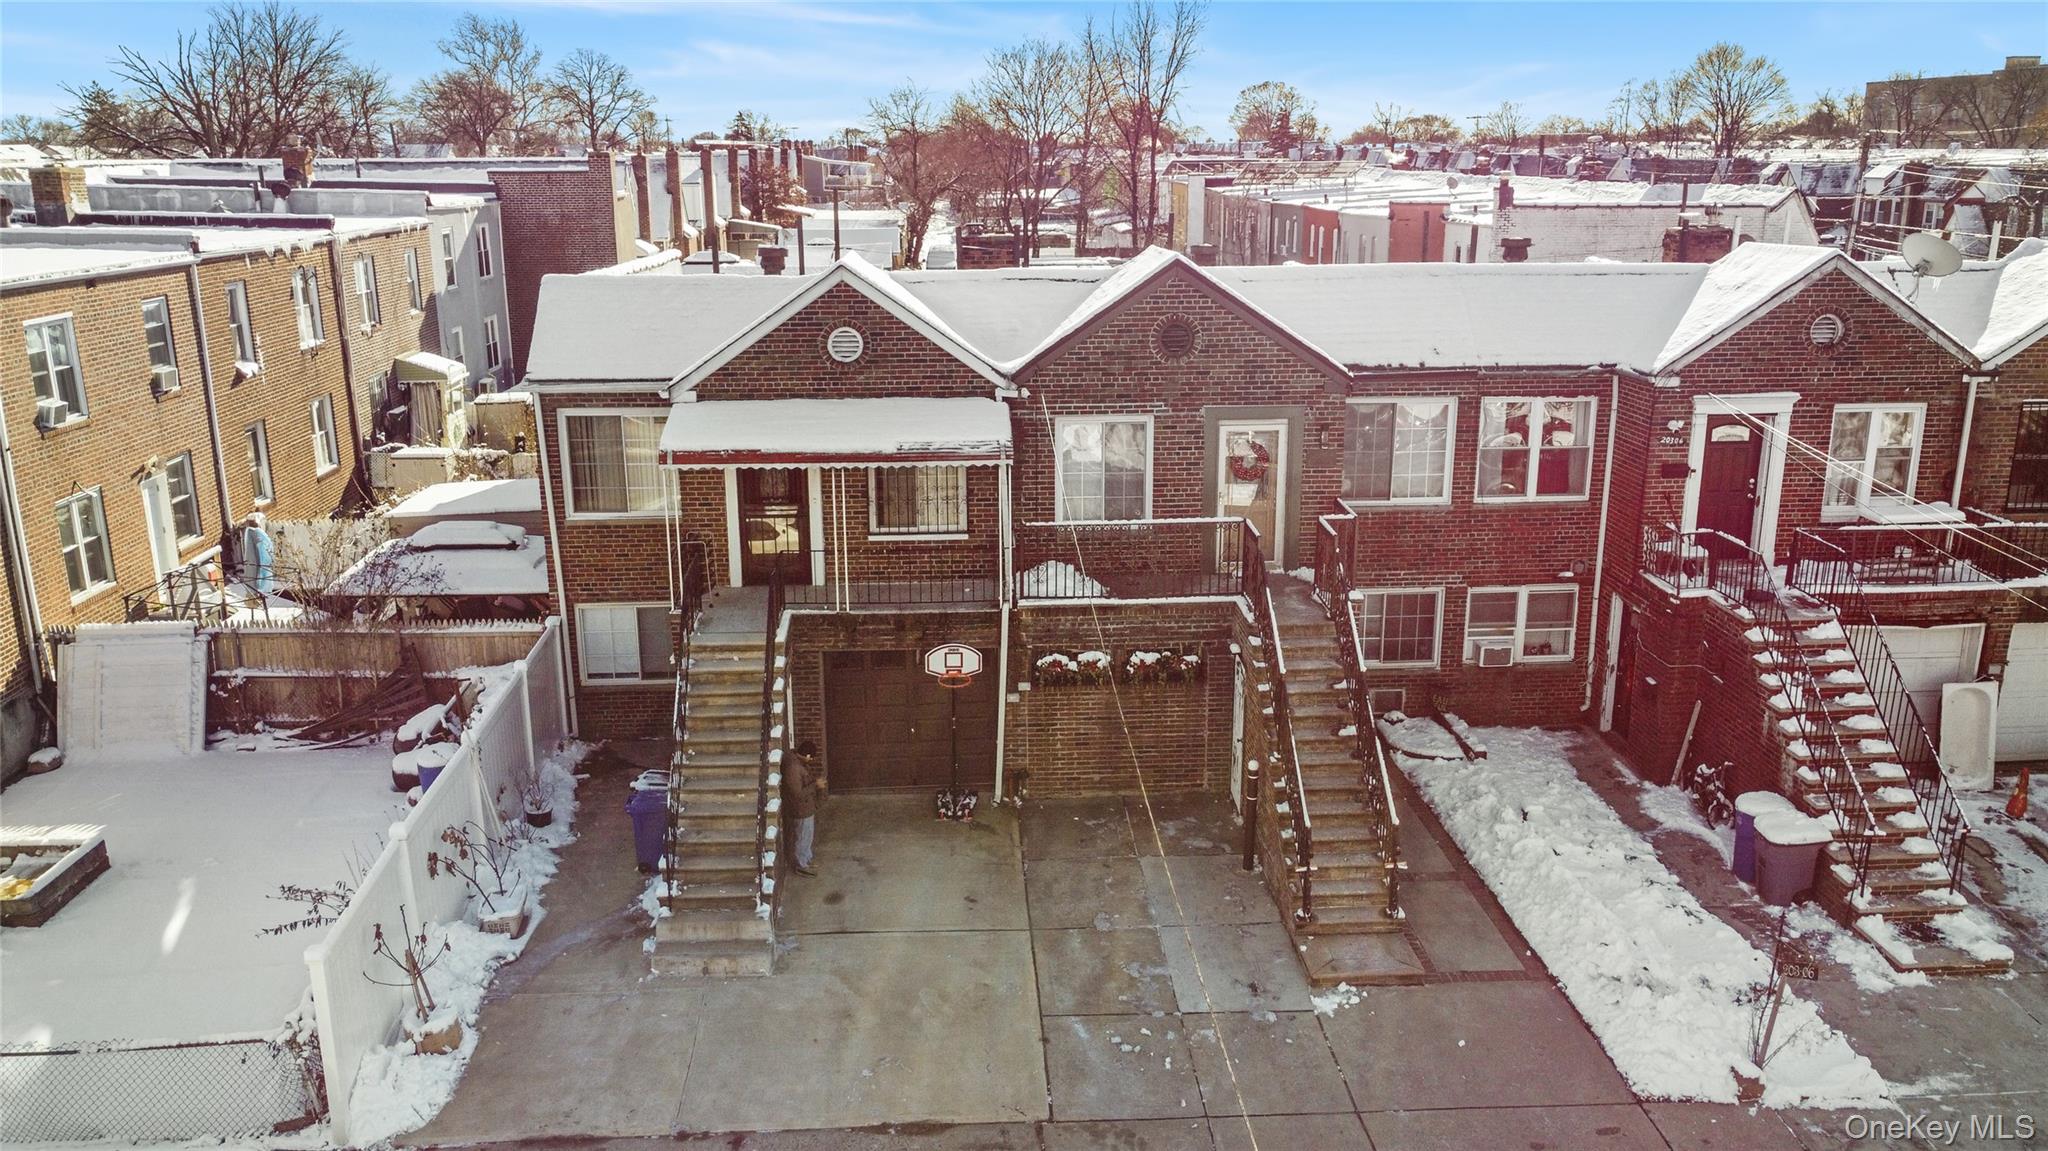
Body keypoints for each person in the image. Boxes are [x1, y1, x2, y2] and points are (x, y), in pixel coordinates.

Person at [785, 739, 824, 876]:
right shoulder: (794, 769)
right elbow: (797, 793)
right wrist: (815, 786)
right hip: (801, 810)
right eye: (811, 757)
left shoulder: (797, 764)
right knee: (802, 836)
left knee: (807, 836)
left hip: (806, 808)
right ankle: (801, 865)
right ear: (807, 755)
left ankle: (806, 858)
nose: (811, 760)